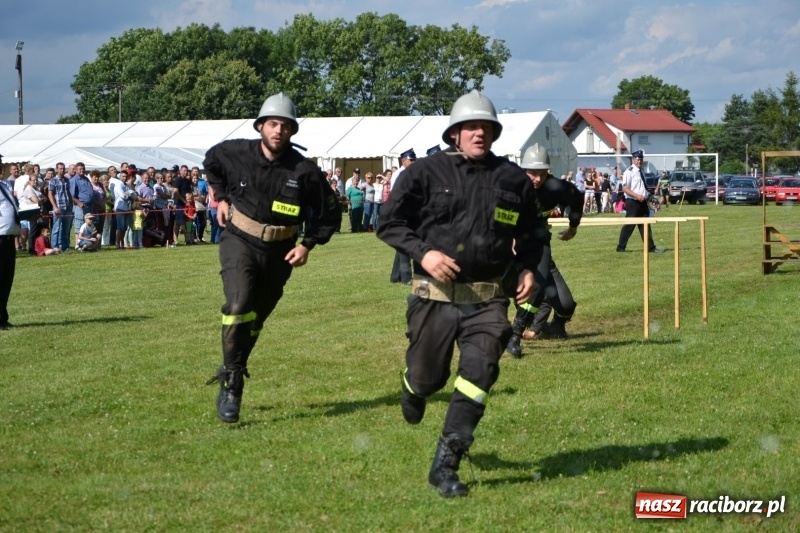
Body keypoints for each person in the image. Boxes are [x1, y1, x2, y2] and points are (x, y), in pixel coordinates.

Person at [377, 90, 547, 498]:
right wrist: (425, 252)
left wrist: (527, 267)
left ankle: (447, 461)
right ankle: (413, 385)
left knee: (480, 373)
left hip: (488, 300)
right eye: (471, 126)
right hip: (433, 295)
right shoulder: (424, 173)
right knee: (429, 377)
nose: (479, 133)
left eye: (486, 127)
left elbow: (534, 233)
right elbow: (388, 223)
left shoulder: (512, 180)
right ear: (455, 132)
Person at [203, 92, 341, 424]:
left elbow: (329, 214)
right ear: (261, 126)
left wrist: (307, 245)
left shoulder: (305, 171)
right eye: (272, 124)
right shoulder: (234, 152)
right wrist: (220, 197)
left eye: (285, 126)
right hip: (239, 240)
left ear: (292, 131)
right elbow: (211, 162)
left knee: (255, 321)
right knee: (239, 306)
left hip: (281, 252)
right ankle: (232, 385)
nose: (278, 131)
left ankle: (233, 362)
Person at [505, 144, 584, 357]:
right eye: (532, 173)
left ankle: (550, 326)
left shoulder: (556, 187)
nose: (537, 179)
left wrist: (573, 227)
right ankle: (512, 334)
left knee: (564, 304)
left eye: (542, 173)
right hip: (512, 245)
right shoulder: (513, 187)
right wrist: (509, 237)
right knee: (513, 289)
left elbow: (577, 198)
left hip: (539, 243)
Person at [616, 150, 664, 254]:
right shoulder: (629, 171)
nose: (640, 161)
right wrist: (637, 196)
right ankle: (620, 248)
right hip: (633, 202)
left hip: (642, 202)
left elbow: (642, 187)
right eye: (638, 159)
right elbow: (625, 188)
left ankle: (651, 248)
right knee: (629, 225)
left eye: (641, 159)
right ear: (633, 160)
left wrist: (649, 196)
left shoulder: (641, 171)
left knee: (646, 225)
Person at [388, 149, 417, 285]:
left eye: (413, 160)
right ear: (403, 161)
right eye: (410, 160)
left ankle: (395, 276)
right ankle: (406, 277)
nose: (413, 162)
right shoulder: (399, 174)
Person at [0, 164, 20, 330]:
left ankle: (2, 317)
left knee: (6, 279)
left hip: (8, 239)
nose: (1, 170)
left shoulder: (5, 186)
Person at [48, 162, 74, 252]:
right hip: (58, 207)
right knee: (56, 228)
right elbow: (50, 194)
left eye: (63, 168)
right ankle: (54, 246)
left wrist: (71, 204)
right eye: (60, 168)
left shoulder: (67, 180)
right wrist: (55, 207)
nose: (62, 170)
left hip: (67, 207)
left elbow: (68, 193)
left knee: (66, 228)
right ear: (56, 170)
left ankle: (65, 246)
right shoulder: (53, 180)